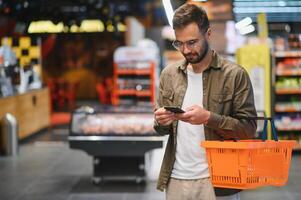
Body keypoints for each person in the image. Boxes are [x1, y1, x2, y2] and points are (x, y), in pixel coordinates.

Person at [154, 3, 257, 200]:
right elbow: (161, 129)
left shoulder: (235, 75)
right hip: (176, 179)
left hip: (219, 180)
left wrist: (209, 118)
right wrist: (160, 121)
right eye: (179, 43)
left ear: (208, 34)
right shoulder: (169, 75)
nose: (185, 50)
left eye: (192, 42)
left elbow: (248, 130)